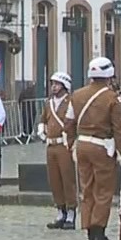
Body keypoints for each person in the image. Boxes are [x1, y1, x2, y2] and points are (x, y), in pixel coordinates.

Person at [66, 56, 121, 240]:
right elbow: (119, 128)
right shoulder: (112, 98)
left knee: (87, 190)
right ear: (109, 76)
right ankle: (99, 233)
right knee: (103, 190)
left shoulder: (76, 95)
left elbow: (69, 123)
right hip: (102, 146)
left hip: (82, 144)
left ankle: (90, 234)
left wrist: (71, 145)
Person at [39, 71, 77, 230]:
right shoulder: (49, 103)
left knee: (67, 179)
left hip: (64, 145)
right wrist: (41, 129)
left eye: (57, 84)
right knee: (54, 180)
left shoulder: (71, 102)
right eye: (52, 84)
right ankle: (60, 210)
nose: (53, 87)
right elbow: (43, 119)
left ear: (64, 86)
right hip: (51, 145)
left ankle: (71, 212)